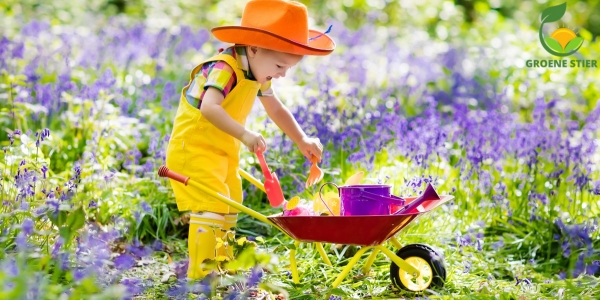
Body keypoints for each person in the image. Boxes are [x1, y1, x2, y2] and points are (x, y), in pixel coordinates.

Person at [165, 0, 335, 279]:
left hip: (222, 150)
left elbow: (276, 108)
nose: (282, 74)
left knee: (230, 205)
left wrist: (301, 138)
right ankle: (200, 277)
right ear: (254, 48)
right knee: (211, 208)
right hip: (193, 149)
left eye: (288, 68)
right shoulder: (225, 68)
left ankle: (221, 267)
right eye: (280, 65)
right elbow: (209, 108)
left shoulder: (255, 69)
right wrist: (245, 134)